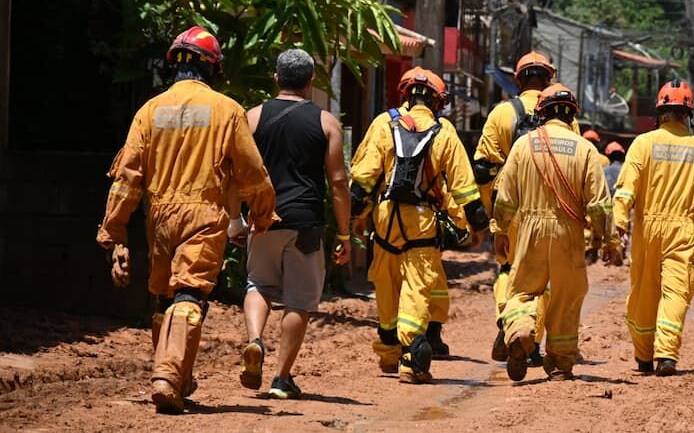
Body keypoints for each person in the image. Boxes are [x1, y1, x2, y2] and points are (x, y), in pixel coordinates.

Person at [96, 26, 278, 414]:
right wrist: (262, 214)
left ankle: (179, 373)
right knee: (190, 294)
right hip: (203, 214)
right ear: (213, 68)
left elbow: (127, 177)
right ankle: (166, 375)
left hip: (158, 216)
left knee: (165, 297)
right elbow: (252, 171)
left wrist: (115, 232)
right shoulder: (227, 110)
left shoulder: (149, 111)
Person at [349, 67, 489, 384]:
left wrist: (357, 217)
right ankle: (412, 353)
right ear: (439, 102)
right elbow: (465, 189)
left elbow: (364, 179)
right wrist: (476, 226)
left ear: (405, 94)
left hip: (384, 218)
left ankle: (388, 351)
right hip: (422, 221)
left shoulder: (384, 124)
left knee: (385, 280)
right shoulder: (445, 132)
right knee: (417, 284)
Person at [237, 49, 351, 400]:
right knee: (298, 301)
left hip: (262, 217)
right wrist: (345, 232)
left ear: (276, 78)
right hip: (305, 221)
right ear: (311, 81)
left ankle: (255, 339)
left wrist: (234, 219)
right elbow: (337, 182)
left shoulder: (251, 118)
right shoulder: (326, 122)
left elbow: (234, 171)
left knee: (258, 284)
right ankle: (281, 378)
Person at [493, 84, 613, 381]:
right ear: (573, 114)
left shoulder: (523, 145)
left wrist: (501, 229)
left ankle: (521, 330)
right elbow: (599, 205)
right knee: (566, 298)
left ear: (540, 114)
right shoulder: (586, 150)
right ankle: (559, 363)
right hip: (569, 233)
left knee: (521, 291)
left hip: (530, 230)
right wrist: (606, 240)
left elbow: (505, 197)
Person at [613, 80, 694, 377]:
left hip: (646, 228)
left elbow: (625, 190)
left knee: (644, 293)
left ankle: (644, 355)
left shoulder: (643, 144)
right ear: (688, 114)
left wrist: (619, 223)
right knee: (676, 292)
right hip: (683, 228)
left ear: (659, 112)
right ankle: (666, 354)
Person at [472, 51, 557, 365]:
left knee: (508, 270)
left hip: (509, 210)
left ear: (518, 80)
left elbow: (482, 169)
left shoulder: (500, 114)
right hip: (547, 211)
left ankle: (508, 320)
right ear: (549, 79)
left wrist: (490, 209)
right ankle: (529, 337)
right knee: (541, 277)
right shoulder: (563, 115)